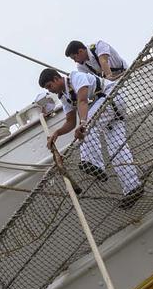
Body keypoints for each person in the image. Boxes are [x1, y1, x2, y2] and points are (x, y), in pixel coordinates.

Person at [39, 67, 143, 208]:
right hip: (110, 111)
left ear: (56, 79)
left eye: (49, 86)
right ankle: (133, 188)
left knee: (87, 128)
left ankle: (93, 163)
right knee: (117, 149)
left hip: (111, 97)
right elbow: (70, 122)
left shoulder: (75, 77)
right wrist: (57, 133)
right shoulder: (64, 96)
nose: (50, 90)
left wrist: (83, 123)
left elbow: (82, 101)